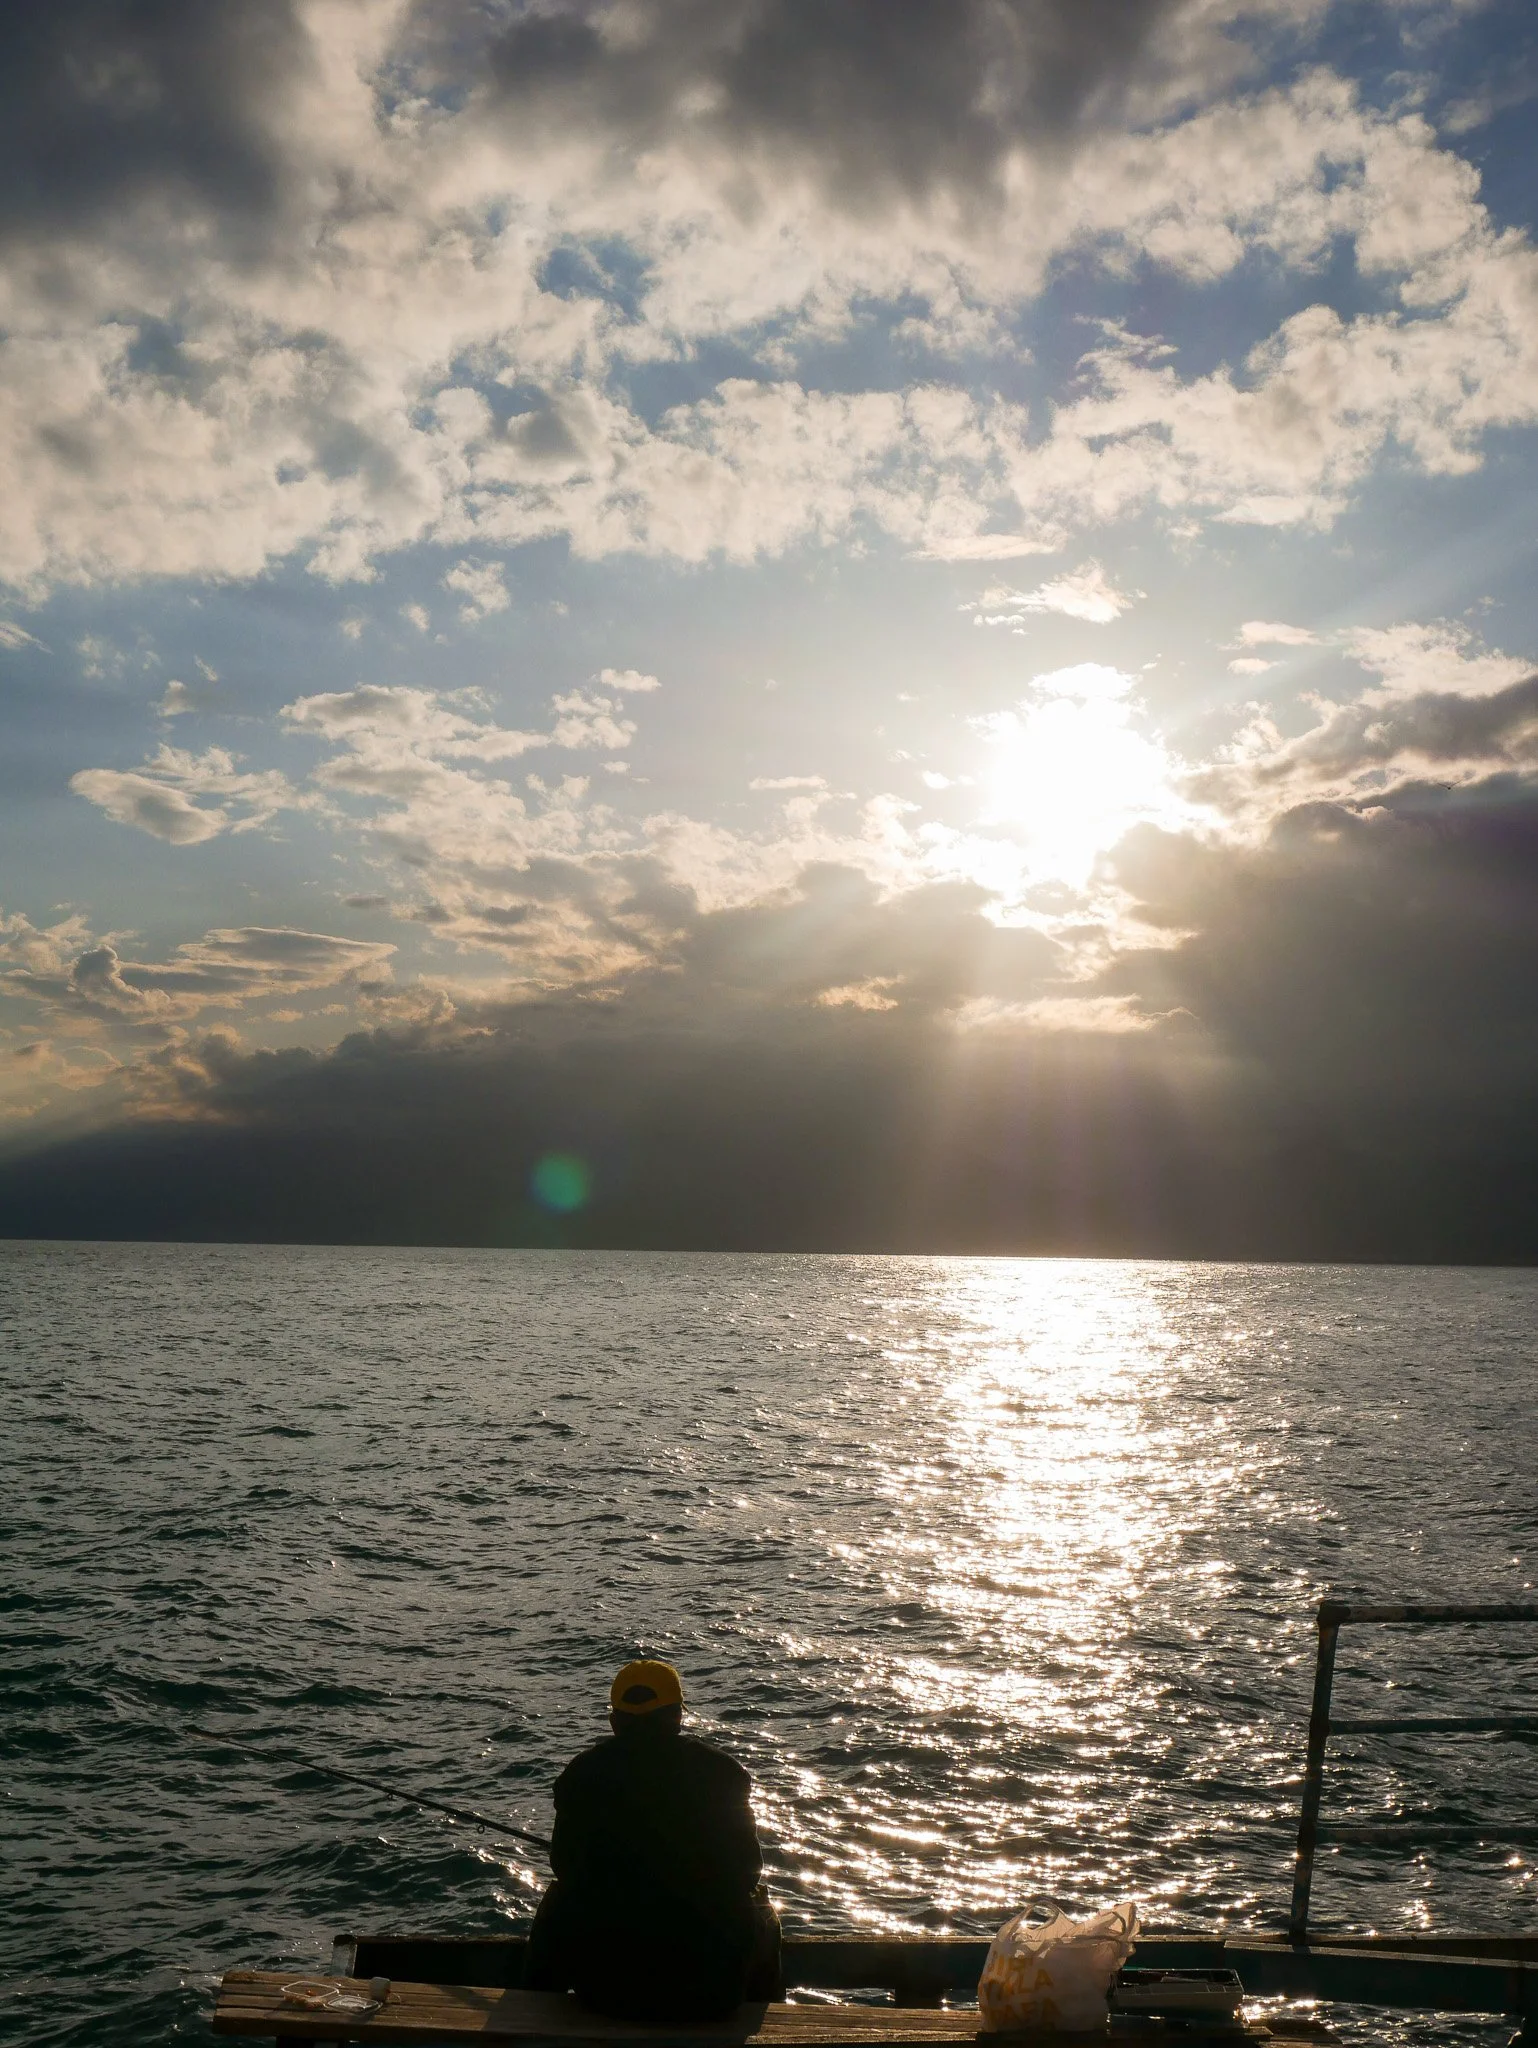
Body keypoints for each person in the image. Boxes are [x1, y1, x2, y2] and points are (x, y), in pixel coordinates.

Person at [523, 1659, 782, 2020]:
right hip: (711, 1995)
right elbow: (748, 1873)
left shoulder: (581, 1775)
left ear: (614, 1721)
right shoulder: (724, 1774)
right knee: (764, 1911)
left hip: (604, 1993)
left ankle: (528, 2016)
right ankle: (769, 2023)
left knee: (557, 1898)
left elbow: (565, 1866)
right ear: (677, 1715)